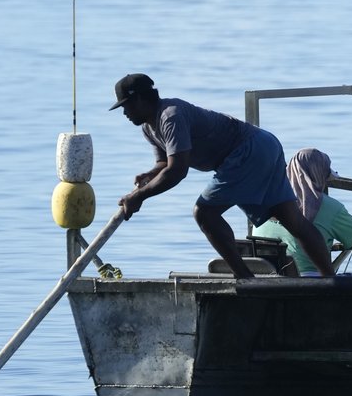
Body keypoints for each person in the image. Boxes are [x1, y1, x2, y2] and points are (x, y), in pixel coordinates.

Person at [109, 73, 334, 279]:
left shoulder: (171, 116)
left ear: (139, 99)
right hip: (265, 145)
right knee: (291, 219)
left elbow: (177, 170)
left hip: (247, 150)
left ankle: (245, 278)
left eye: (126, 106)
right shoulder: (149, 128)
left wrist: (139, 197)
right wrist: (149, 175)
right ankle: (328, 279)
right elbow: (164, 163)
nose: (125, 113)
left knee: (205, 212)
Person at [251, 148, 352, 276]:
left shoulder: (266, 203)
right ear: (319, 176)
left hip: (265, 280)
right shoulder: (331, 208)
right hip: (310, 283)